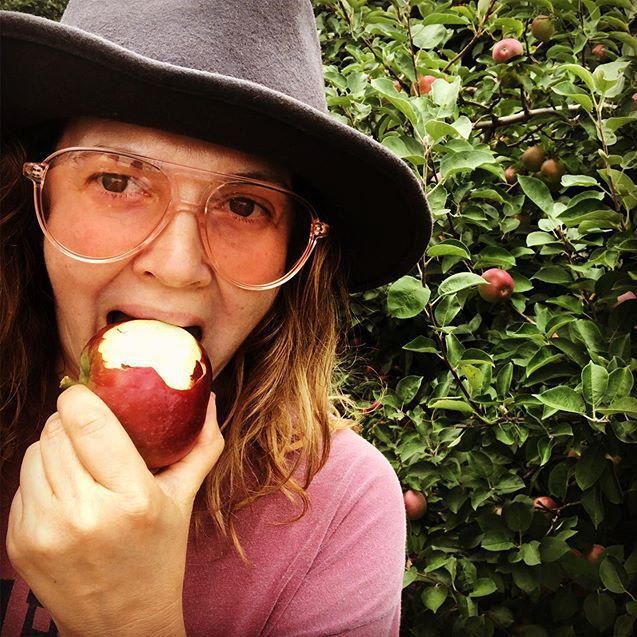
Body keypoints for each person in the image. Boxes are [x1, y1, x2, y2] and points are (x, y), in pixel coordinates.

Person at [0, 1, 432, 635]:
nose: (178, 266)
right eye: (118, 182)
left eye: (245, 204)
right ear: (36, 198)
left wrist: (130, 621)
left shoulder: (337, 511)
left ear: (295, 251)